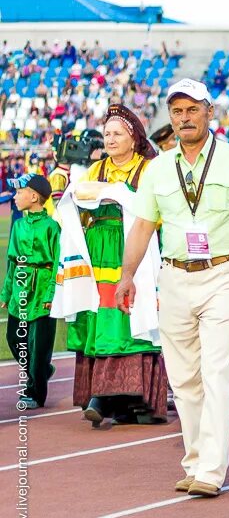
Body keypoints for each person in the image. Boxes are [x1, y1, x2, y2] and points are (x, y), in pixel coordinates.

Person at [117, 79, 229, 498]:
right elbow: (144, 225)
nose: (184, 118)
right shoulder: (158, 167)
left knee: (218, 373)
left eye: (192, 110)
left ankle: (212, 470)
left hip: (223, 273)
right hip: (175, 276)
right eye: (177, 112)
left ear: (209, 112)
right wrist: (127, 274)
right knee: (183, 378)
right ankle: (195, 459)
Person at [67, 105, 166, 428]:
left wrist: (115, 195)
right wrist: (116, 193)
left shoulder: (149, 169)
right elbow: (79, 194)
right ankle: (105, 396)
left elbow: (154, 206)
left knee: (129, 317)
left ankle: (138, 400)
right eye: (107, 133)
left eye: (117, 133)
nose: (110, 139)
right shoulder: (97, 169)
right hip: (99, 250)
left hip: (136, 248)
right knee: (102, 316)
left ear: (133, 137)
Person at [1, 175, 59, 410]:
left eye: (19, 192)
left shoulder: (52, 227)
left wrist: (50, 295)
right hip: (20, 286)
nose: (14, 197)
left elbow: (57, 264)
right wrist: (6, 293)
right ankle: (43, 370)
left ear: (34, 197)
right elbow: (11, 261)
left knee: (39, 345)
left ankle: (36, 391)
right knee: (14, 337)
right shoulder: (17, 225)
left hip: (42, 286)